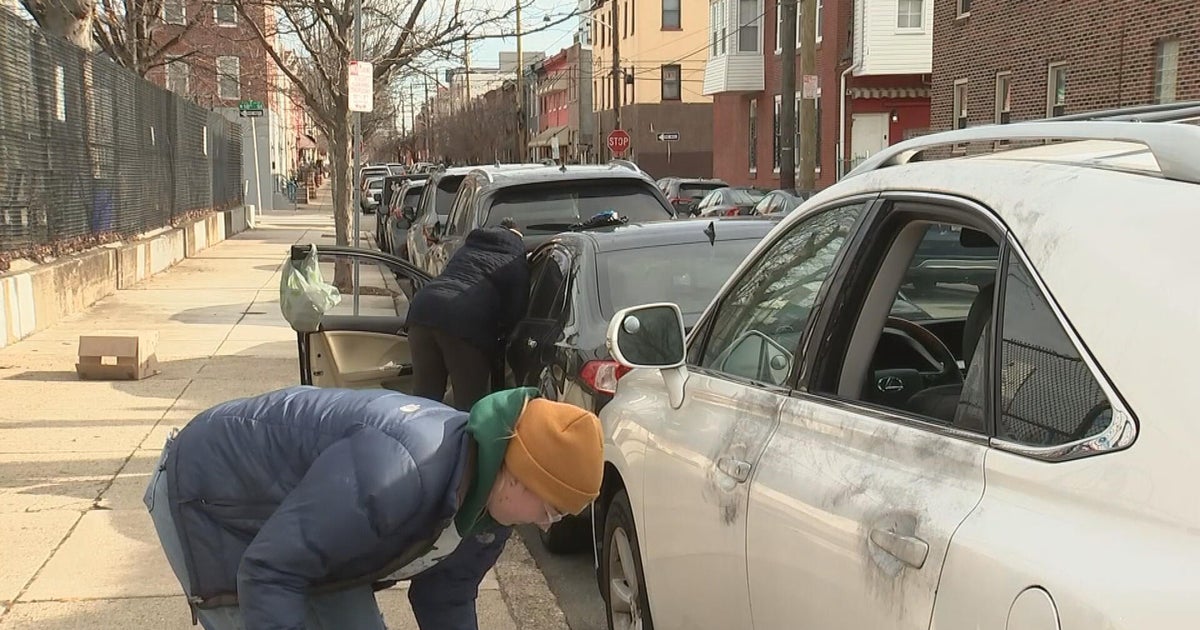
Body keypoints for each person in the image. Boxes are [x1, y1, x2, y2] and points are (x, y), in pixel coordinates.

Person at [144, 386, 602, 630]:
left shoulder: (490, 505)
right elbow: (268, 572)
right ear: (518, 475)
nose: (547, 523)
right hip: (215, 497)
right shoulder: (401, 470)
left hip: (311, 539)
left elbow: (446, 596)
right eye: (553, 509)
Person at [407, 223, 528, 411]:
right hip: (464, 322)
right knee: (471, 408)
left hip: (423, 308)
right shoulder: (515, 260)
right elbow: (516, 311)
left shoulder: (466, 249)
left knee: (424, 402)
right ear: (518, 239)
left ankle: (416, 438)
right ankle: (464, 441)